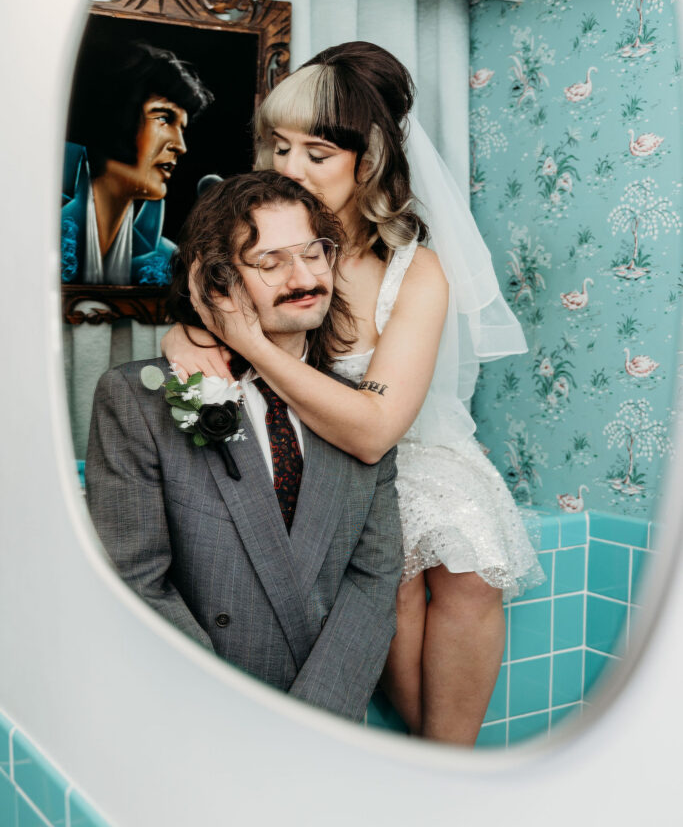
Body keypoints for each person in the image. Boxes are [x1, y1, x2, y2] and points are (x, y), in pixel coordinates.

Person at [163, 41, 544, 745]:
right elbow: (195, 324)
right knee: (389, 573)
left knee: (468, 564)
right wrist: (188, 338)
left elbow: (379, 429)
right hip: (315, 454)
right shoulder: (256, 250)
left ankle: (449, 759)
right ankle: (424, 755)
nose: (289, 168)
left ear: (365, 161)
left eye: (316, 152)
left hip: (411, 443)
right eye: (277, 147)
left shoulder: (416, 269)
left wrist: (241, 341)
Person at [86, 171, 403, 722]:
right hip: (198, 714)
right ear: (218, 285)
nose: (303, 276)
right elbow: (134, 581)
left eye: (313, 253)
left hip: (327, 725)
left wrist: (316, 720)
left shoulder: (358, 414)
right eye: (270, 261)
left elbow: (373, 581)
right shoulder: (137, 399)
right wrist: (230, 716)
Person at [62, 41, 213, 285]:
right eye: (164, 118)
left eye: (182, 129)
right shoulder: (39, 235)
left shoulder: (164, 262)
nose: (180, 146)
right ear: (116, 115)